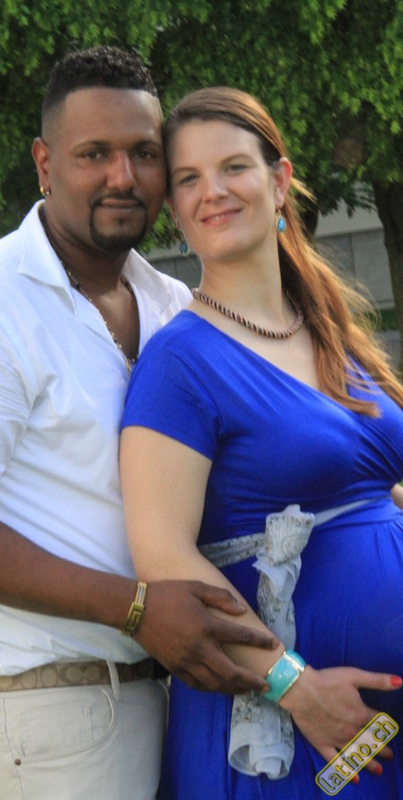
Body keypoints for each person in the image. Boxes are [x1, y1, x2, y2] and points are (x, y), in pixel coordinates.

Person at [0, 50, 280, 800]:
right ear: (45, 164)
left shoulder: (170, 305)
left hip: (178, 694)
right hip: (47, 709)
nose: (122, 177)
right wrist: (134, 609)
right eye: (93, 154)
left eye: (143, 154)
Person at [120, 86, 403, 799]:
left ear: (279, 183)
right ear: (175, 210)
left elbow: (373, 488)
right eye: (188, 178)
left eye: (233, 167)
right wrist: (296, 687)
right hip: (299, 728)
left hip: (380, 719)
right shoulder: (178, 364)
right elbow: (162, 557)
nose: (212, 191)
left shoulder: (330, 330)